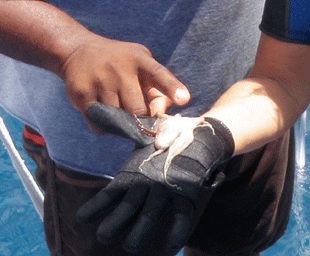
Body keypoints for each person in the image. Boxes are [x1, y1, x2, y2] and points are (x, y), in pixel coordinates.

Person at [0, 0, 309, 255]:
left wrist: (214, 136)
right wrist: (68, 49)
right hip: (92, 148)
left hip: (253, 114)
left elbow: (285, 76)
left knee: (235, 243)